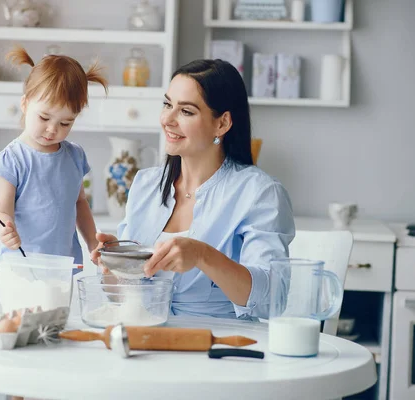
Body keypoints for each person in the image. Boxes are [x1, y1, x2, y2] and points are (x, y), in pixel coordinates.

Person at [92, 59, 295, 320]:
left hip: (220, 345)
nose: (167, 119)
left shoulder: (260, 194)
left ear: (222, 123)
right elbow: (127, 297)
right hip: (148, 339)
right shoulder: (145, 185)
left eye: (186, 111)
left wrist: (202, 255)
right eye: (167, 104)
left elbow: (272, 301)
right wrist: (114, 265)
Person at [0, 45, 108, 265]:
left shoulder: (74, 156)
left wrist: (93, 243)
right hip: (22, 266)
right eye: (44, 118)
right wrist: (4, 229)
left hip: (63, 265)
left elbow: (80, 203)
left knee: (60, 302)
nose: (53, 129)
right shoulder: (13, 159)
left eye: (65, 123)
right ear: (25, 104)